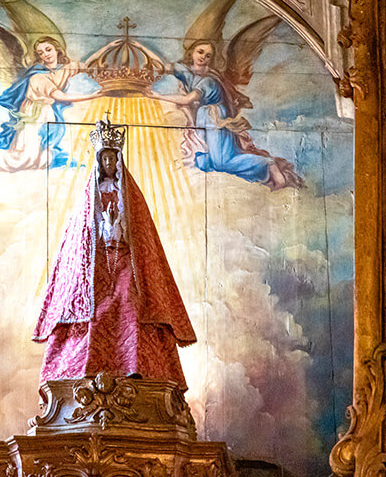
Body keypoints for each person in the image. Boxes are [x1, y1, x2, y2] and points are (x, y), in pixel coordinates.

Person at [32, 119, 196, 389]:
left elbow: (142, 235)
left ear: (118, 161)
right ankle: (87, 370)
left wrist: (117, 227)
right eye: (104, 158)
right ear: (99, 161)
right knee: (93, 310)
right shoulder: (88, 197)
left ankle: (135, 368)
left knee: (130, 302)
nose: (109, 163)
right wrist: (103, 227)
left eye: (113, 158)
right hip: (95, 265)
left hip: (124, 260)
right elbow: (80, 238)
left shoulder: (130, 196)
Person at [0, 37, 102, 187]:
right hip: (33, 118)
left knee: (40, 160)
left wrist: (108, 47)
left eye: (48, 49)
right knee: (22, 158)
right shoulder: (38, 77)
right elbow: (60, 96)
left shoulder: (58, 72)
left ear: (57, 49)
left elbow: (83, 64)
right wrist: (91, 96)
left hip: (43, 117)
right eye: (41, 53)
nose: (46, 55)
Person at [149, 40, 303, 190]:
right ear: (192, 53)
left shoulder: (208, 81)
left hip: (215, 119)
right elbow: (164, 65)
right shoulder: (187, 72)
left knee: (221, 163)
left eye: (208, 55)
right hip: (202, 118)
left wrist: (157, 96)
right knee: (203, 162)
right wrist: (136, 45)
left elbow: (187, 99)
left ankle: (268, 165)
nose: (203, 57)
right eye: (200, 52)